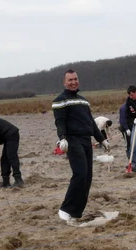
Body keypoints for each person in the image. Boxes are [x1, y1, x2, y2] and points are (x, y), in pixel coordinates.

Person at [52, 69, 110, 222]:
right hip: (72, 140)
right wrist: (62, 138)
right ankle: (65, 209)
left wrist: (102, 139)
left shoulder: (84, 101)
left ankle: (76, 212)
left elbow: (91, 123)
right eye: (70, 80)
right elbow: (60, 122)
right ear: (64, 83)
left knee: (87, 177)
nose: (73, 82)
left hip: (86, 140)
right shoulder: (60, 100)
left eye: (75, 79)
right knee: (80, 174)